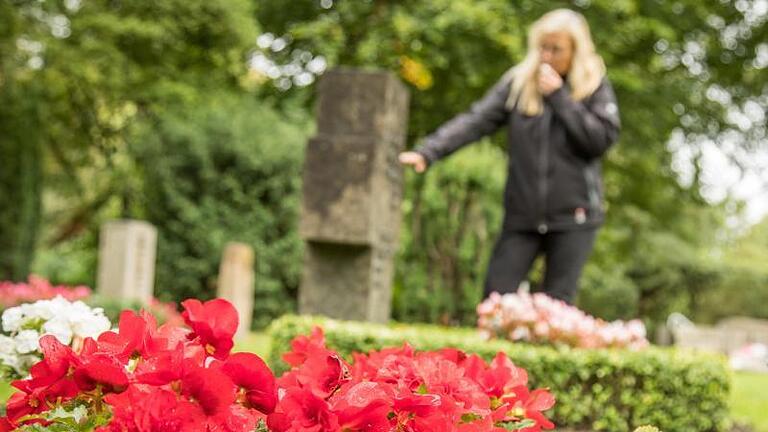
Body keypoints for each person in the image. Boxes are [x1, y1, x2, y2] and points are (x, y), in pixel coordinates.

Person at [399, 9, 620, 304]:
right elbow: (475, 121)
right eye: (542, 47)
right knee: (495, 301)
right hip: (522, 215)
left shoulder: (594, 85)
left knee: (556, 308)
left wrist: (559, 98)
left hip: (574, 216)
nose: (546, 56)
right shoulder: (518, 83)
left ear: (575, 51)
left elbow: (599, 140)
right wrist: (429, 151)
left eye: (556, 49)